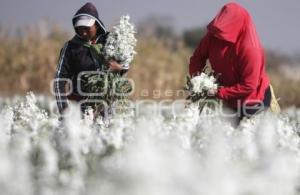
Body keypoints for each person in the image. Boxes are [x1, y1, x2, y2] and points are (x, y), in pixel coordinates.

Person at [189, 2, 273, 121]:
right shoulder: (213, 35)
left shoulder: (250, 49)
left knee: (245, 134)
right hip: (227, 95)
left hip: (252, 101)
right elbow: (197, 58)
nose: (218, 36)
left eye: (223, 31)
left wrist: (218, 92)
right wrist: (199, 81)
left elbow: (249, 85)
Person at [54, 2, 128, 117]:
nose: (83, 32)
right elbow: (59, 79)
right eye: (79, 29)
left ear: (97, 25)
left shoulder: (110, 41)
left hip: (107, 103)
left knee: (107, 132)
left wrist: (119, 67)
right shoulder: (70, 47)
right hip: (81, 104)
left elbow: (125, 63)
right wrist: (64, 109)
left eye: (87, 28)